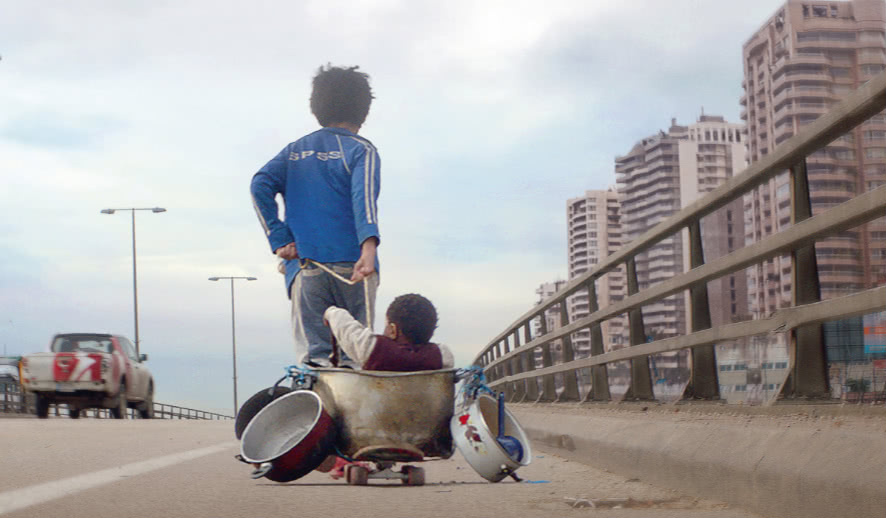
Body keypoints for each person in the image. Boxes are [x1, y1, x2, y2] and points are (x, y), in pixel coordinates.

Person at [251, 64, 380, 366]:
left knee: (314, 360)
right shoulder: (361, 150)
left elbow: (259, 185)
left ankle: (315, 394)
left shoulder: (293, 152)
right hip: (354, 265)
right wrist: (369, 248)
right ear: (364, 110)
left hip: (305, 264)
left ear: (316, 108)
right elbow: (364, 199)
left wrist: (279, 238)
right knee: (355, 358)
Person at [324, 293, 454, 371]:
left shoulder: (374, 350)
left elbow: (347, 329)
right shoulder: (442, 355)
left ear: (393, 330)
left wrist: (331, 312)